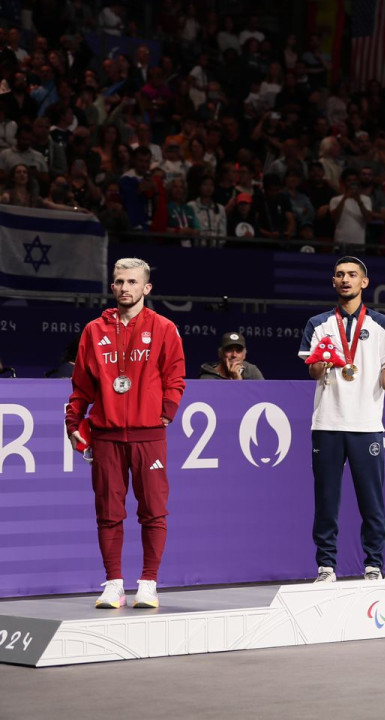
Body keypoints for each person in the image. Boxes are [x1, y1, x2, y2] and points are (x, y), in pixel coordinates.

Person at [64, 257, 187, 610]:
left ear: (146, 288)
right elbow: (81, 385)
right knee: (108, 511)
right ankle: (114, 583)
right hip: (106, 436)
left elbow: (175, 377)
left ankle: (148, 583)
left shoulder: (164, 328)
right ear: (112, 286)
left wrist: (165, 414)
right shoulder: (93, 331)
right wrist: (74, 423)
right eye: (119, 282)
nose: (124, 288)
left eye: (132, 282)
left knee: (153, 511)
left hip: (149, 435)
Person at [298, 257, 385, 584]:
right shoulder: (318, 324)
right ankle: (326, 566)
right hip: (328, 423)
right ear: (334, 281)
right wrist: (325, 360)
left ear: (364, 282)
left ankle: (374, 564)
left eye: (352, 275)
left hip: (366, 425)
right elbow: (312, 371)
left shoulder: (382, 324)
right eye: (341, 275)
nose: (346, 279)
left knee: (372, 502)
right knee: (326, 500)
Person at [198, 331, 265, 380]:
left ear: (244, 355)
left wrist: (238, 380)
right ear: (220, 353)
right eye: (229, 350)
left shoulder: (251, 371)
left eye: (238, 351)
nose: (234, 355)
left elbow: (262, 396)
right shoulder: (208, 377)